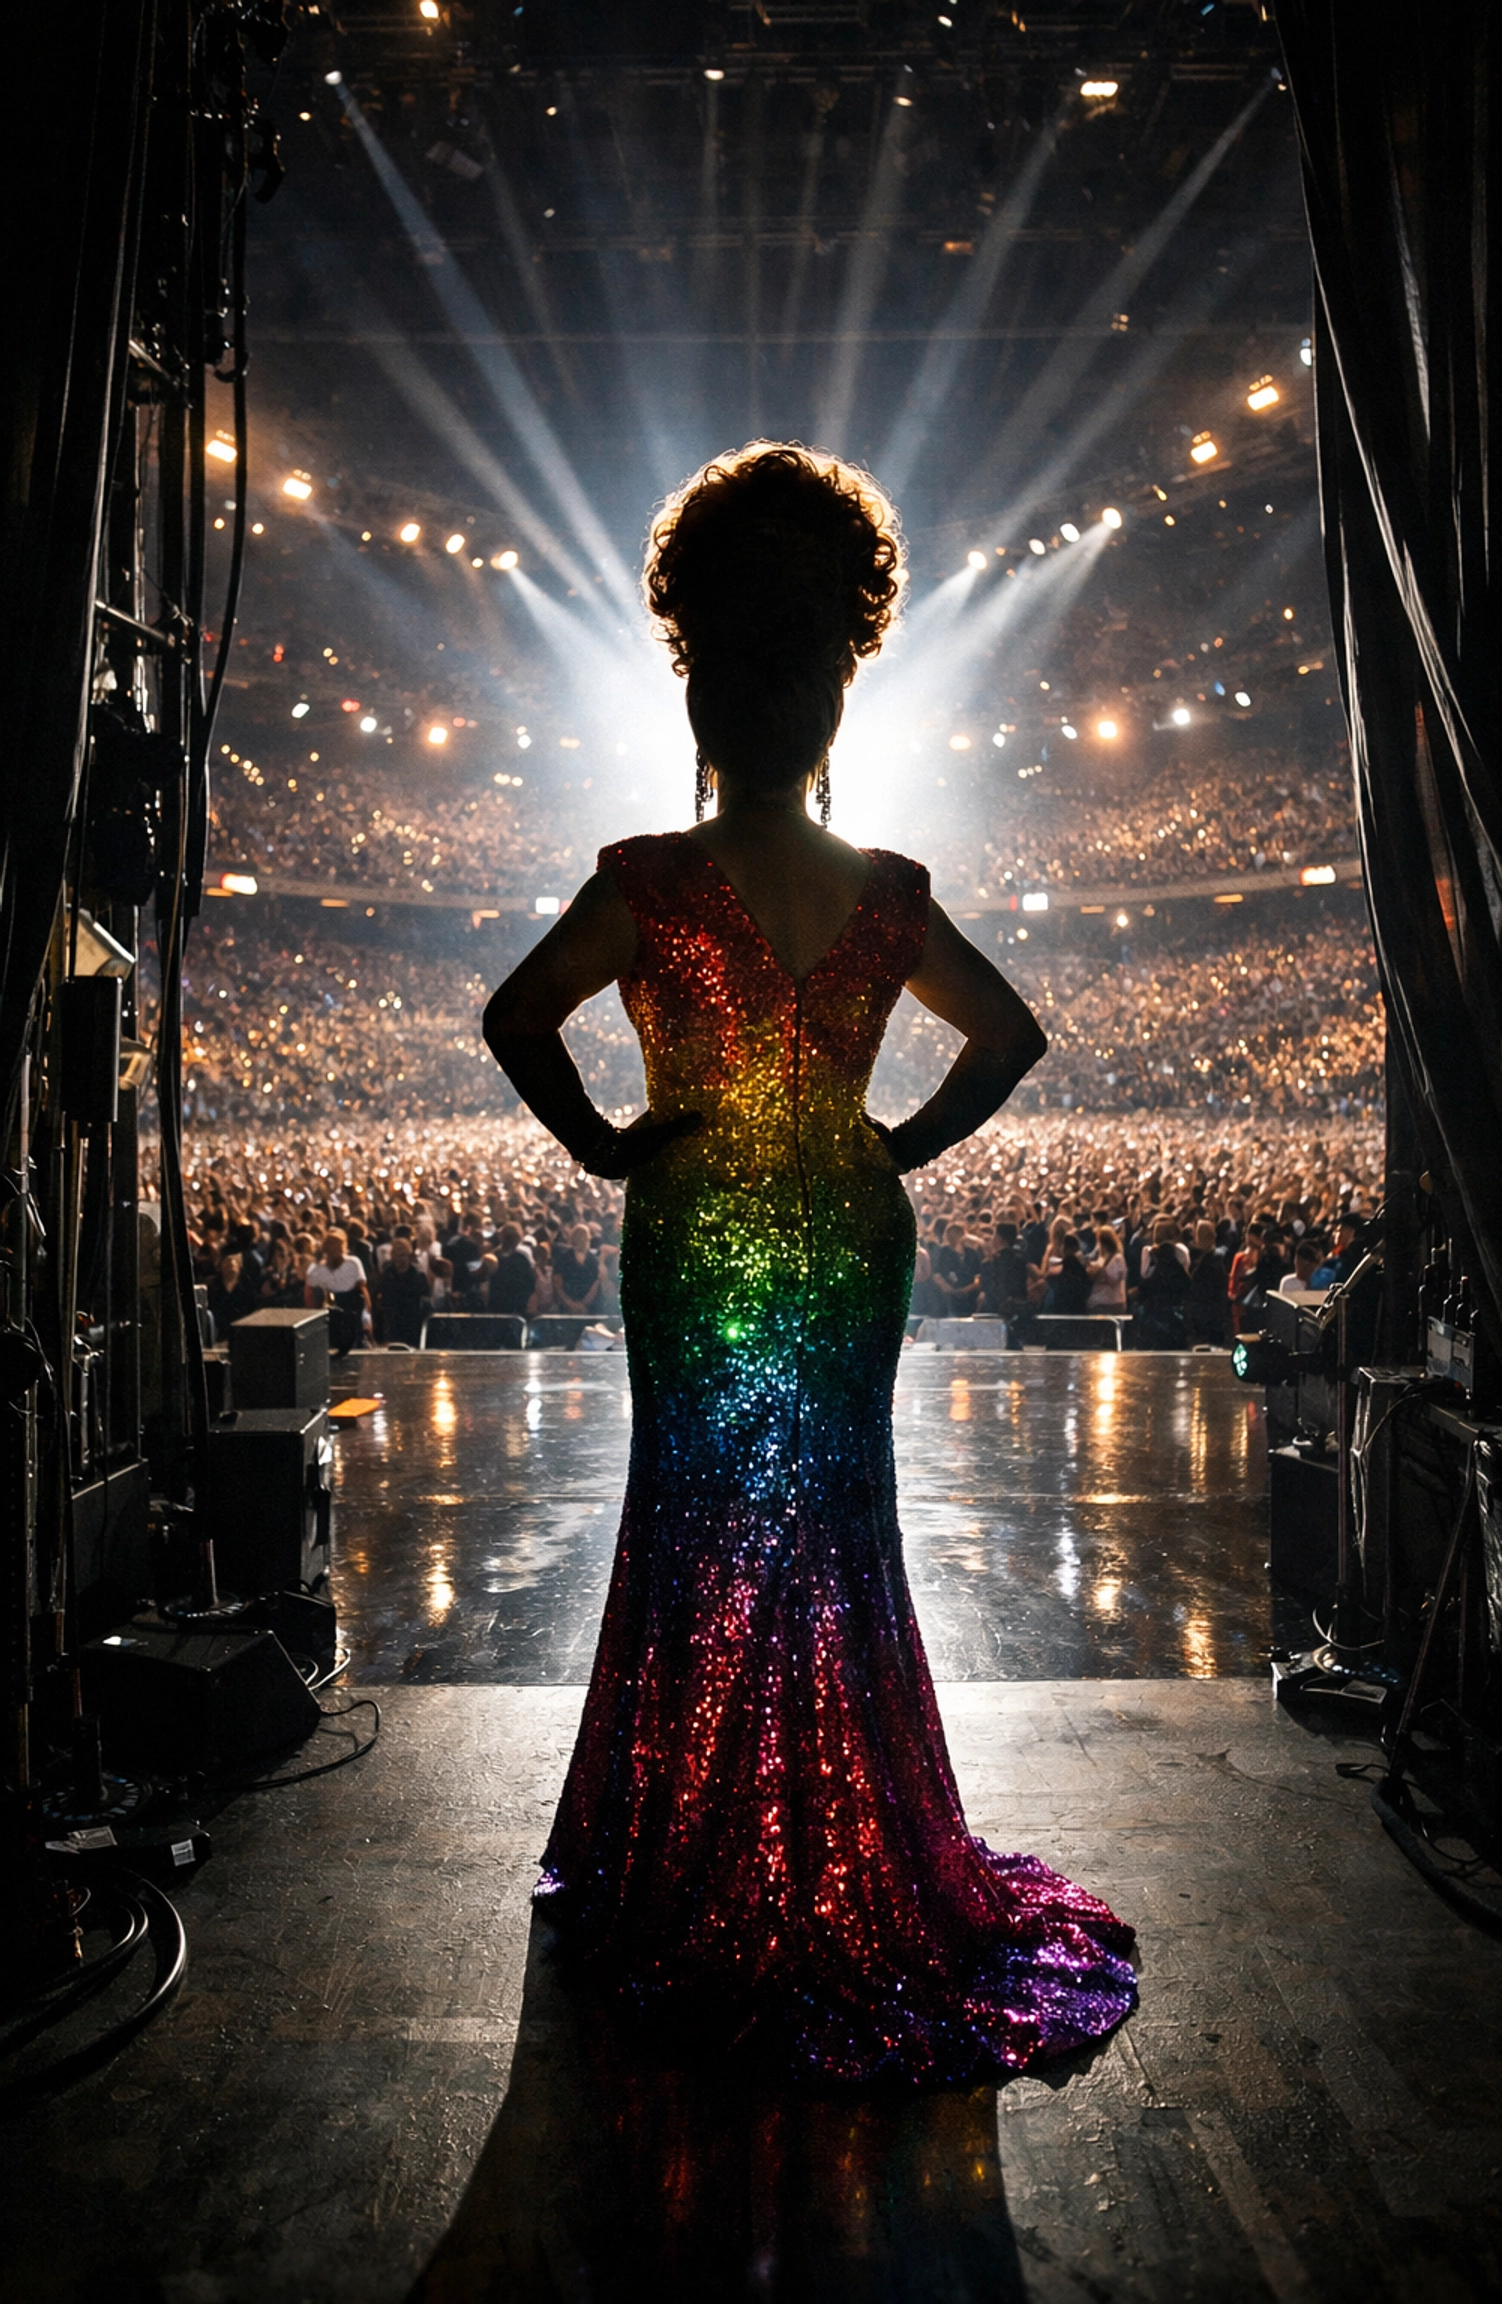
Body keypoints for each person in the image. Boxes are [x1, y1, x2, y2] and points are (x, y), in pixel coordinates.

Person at [483, 443, 1134, 2084]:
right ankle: (851, 1843)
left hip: (694, 1231)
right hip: (845, 1232)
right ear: (831, 714)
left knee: (696, 1519)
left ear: (706, 711)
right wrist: (892, 1148)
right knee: (834, 1529)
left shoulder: (648, 881)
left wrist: (603, 1138)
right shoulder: (888, 890)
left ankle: (682, 1849)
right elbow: (1016, 1035)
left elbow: (515, 1018)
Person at [304, 1226, 370, 1355]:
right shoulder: (317, 1269)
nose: (334, 1250)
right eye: (331, 1246)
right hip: (330, 1309)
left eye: (337, 1246)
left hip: (351, 1307)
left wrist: (367, 1314)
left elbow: (362, 1288)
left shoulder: (353, 1263)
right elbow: (309, 1292)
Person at [375, 1231, 432, 1345]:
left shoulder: (418, 1276)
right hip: (393, 1323)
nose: (400, 1259)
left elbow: (425, 1298)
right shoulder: (387, 1275)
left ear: (409, 1256)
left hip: (412, 1322)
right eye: (396, 1255)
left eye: (403, 1255)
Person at [1085, 1225, 1127, 1313]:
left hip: (1112, 1303)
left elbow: (1114, 1279)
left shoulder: (1117, 1258)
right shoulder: (1100, 1258)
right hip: (1097, 1302)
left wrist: (1100, 1271)